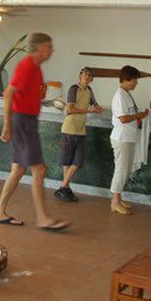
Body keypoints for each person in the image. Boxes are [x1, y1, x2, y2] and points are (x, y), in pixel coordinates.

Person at [0, 32, 71, 231]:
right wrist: (7, 124)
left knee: (18, 169)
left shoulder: (36, 69)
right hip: (23, 123)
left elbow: (27, 96)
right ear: (39, 48)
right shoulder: (27, 66)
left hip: (27, 121)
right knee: (39, 169)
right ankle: (43, 218)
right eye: (49, 46)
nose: (52, 50)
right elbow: (8, 93)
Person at [54, 67, 103, 202]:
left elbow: (95, 104)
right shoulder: (73, 89)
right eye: (85, 75)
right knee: (67, 161)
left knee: (78, 161)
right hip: (69, 129)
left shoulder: (89, 90)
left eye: (89, 76)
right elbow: (70, 110)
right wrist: (91, 111)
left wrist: (97, 108)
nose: (87, 77)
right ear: (80, 75)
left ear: (92, 79)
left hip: (80, 130)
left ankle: (63, 187)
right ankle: (65, 188)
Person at [109, 65, 149, 215]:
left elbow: (129, 115)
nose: (136, 83)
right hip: (122, 138)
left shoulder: (126, 94)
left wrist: (141, 115)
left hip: (128, 137)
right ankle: (114, 202)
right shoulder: (119, 96)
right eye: (135, 80)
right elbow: (123, 118)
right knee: (120, 170)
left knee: (124, 170)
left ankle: (118, 198)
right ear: (127, 79)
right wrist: (138, 115)